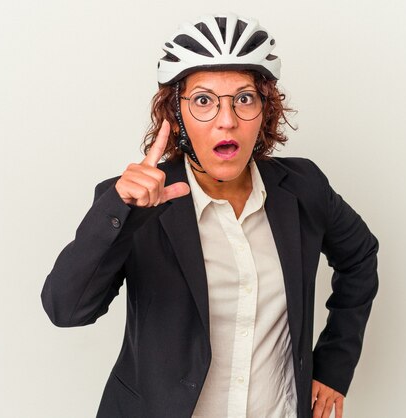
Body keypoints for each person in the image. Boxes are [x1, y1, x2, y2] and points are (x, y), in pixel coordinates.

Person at [41, 12, 379, 418]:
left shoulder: (303, 187)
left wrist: (334, 367)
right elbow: (65, 310)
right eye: (203, 101)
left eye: (244, 99)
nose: (227, 120)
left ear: (265, 110)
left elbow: (360, 257)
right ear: (177, 115)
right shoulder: (136, 203)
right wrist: (121, 212)